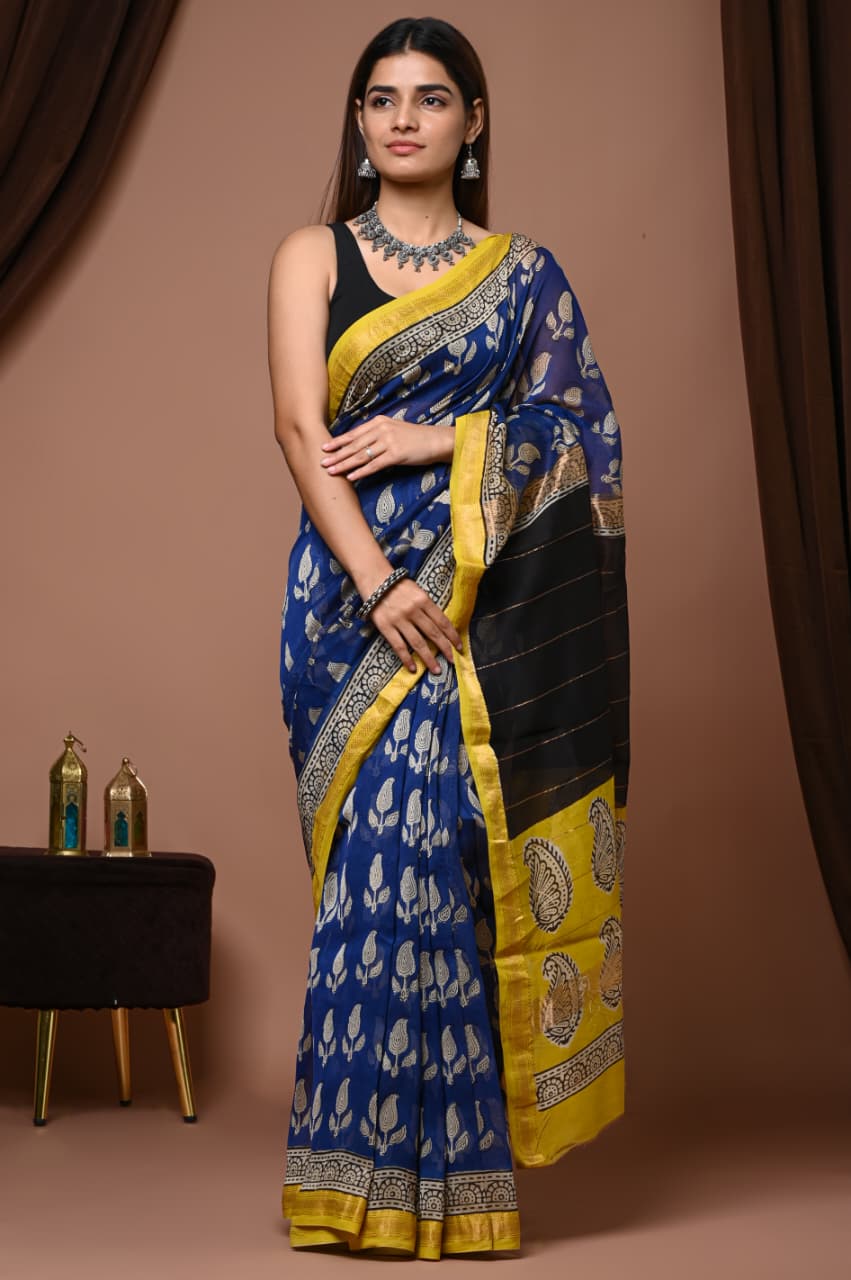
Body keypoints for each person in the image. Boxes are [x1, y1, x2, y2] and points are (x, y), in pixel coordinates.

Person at [267, 16, 628, 1260]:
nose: (403, 118)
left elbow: (580, 439)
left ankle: (454, 1190)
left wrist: (441, 438)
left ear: (472, 124)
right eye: (381, 98)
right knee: (368, 881)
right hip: (349, 605)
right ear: (358, 122)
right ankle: (351, 1181)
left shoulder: (521, 275)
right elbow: (299, 433)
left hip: (478, 609)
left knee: (436, 870)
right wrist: (377, 584)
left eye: (429, 98)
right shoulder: (312, 255)